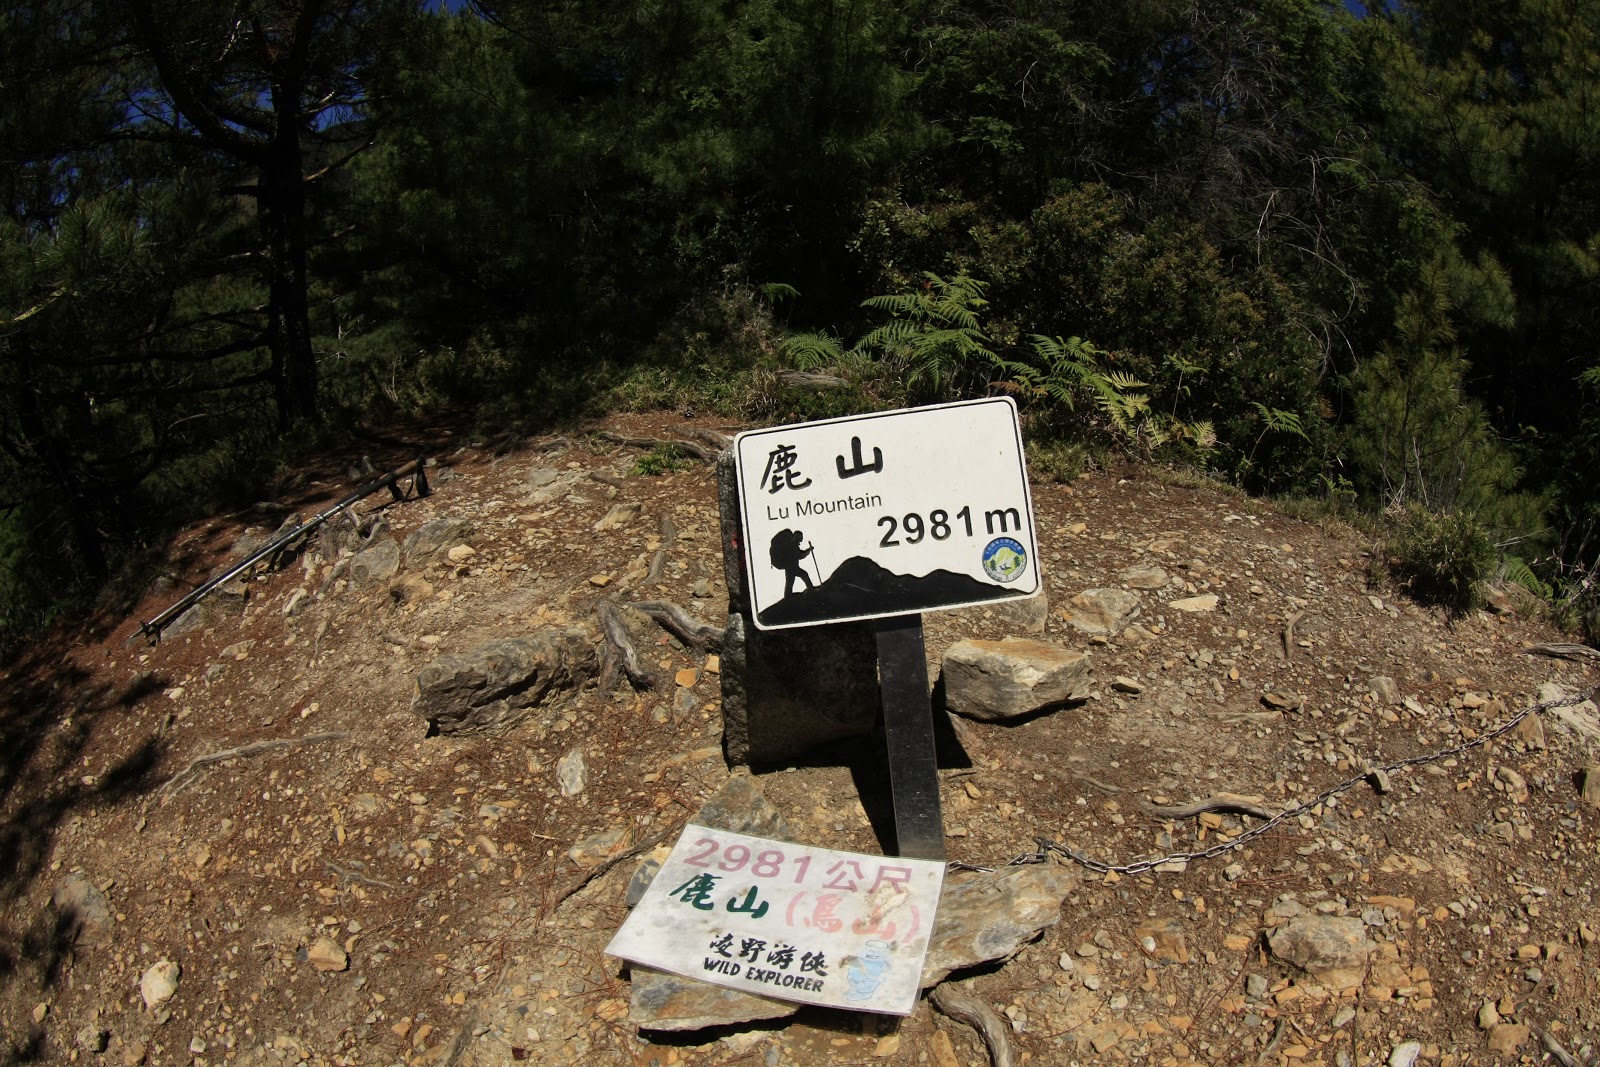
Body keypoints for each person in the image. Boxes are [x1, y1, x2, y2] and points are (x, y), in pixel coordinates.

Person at [768, 529, 815, 596]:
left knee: (790, 583)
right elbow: (800, 555)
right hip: (792, 568)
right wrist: (808, 551)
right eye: (800, 537)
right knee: (802, 576)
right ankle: (810, 590)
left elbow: (799, 553)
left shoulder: (792, 544)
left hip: (790, 568)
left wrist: (808, 550)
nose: (801, 539)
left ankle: (788, 596)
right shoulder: (793, 545)